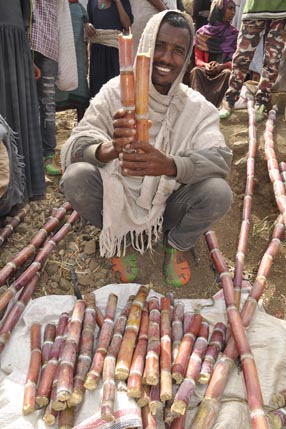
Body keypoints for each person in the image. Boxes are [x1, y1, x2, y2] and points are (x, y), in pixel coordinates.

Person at [60, 10, 233, 287]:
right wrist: (109, 148)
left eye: (178, 50)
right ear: (144, 47)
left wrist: (171, 166)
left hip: (169, 205)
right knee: (76, 177)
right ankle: (123, 239)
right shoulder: (114, 92)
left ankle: (175, 243)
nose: (166, 58)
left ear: (188, 58)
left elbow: (220, 160)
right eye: (160, 46)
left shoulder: (196, 107)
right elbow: (75, 147)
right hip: (117, 199)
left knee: (218, 193)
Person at [0, 0, 46, 202]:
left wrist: (28, 59)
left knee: (18, 111)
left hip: (16, 44)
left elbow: (24, 17)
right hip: (11, 41)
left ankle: (17, 187)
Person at [219, 1, 286, 122]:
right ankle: (230, 98)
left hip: (281, 12)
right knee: (242, 56)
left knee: (273, 60)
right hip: (254, 10)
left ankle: (262, 100)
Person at [30, 0, 62, 176]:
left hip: (49, 44)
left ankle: (49, 155)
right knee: (30, 103)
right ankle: (33, 155)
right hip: (27, 44)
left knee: (48, 104)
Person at [189, 0, 238, 107]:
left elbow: (236, 61)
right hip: (205, 70)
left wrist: (222, 66)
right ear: (219, 10)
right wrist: (206, 65)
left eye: (234, 9)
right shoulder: (202, 33)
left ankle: (220, 106)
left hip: (223, 71)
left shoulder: (234, 34)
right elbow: (198, 60)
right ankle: (197, 106)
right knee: (196, 71)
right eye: (230, 8)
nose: (233, 12)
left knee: (228, 74)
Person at [85, 0, 133, 98]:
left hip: (115, 53)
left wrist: (118, 2)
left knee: (115, 89)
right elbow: (89, 21)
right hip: (97, 53)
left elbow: (127, 25)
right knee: (98, 91)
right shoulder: (92, 2)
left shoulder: (122, 2)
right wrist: (87, 26)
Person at [56, 0, 90, 122]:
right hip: (59, 53)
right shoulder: (56, 7)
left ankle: (81, 126)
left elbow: (88, 23)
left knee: (80, 92)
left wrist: (88, 24)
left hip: (78, 58)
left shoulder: (79, 8)